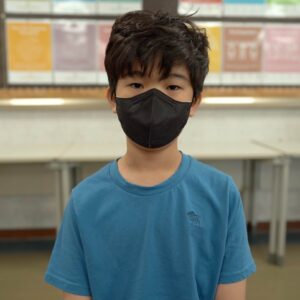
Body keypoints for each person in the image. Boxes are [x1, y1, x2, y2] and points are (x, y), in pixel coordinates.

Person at [44, 10, 256, 300]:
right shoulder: (85, 201)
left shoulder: (221, 194)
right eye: (136, 84)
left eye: (172, 86)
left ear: (194, 102)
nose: (154, 99)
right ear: (112, 98)